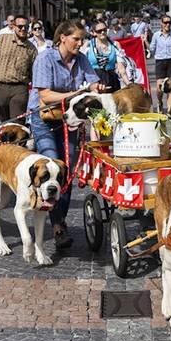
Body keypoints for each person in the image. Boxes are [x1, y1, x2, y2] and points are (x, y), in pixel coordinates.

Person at [28, 20, 107, 248]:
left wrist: (96, 88)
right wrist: (76, 93)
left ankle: (58, 219)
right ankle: (56, 224)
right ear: (62, 37)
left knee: (67, 168)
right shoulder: (45, 58)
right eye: (76, 39)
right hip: (44, 118)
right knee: (52, 163)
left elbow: (92, 82)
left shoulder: (81, 59)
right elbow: (45, 95)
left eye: (82, 39)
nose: (80, 43)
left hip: (68, 119)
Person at [0, 16, 37, 121]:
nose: (23, 29)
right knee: (3, 122)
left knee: (16, 122)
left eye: (26, 27)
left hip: (20, 89)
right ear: (13, 27)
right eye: (20, 26)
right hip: (0, 87)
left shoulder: (32, 49)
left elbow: (34, 73)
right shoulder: (2, 39)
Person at [82, 20, 130, 92]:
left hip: (111, 81)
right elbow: (82, 67)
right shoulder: (88, 45)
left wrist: (129, 84)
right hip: (94, 81)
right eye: (99, 31)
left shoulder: (115, 45)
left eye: (104, 30)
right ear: (94, 33)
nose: (103, 32)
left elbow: (121, 69)